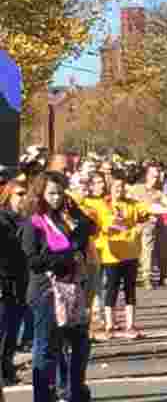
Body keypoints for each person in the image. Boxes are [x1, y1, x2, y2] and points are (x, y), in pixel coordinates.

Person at [22, 171, 95, 402]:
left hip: (71, 289)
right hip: (45, 291)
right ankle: (43, 396)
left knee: (81, 343)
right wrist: (65, 257)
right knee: (46, 348)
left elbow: (88, 228)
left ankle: (75, 390)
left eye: (60, 193)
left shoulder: (62, 218)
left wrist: (73, 209)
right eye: (51, 193)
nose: (56, 198)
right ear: (41, 195)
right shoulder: (33, 223)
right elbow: (33, 260)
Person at [95, 171, 147, 340]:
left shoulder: (132, 204)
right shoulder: (104, 205)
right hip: (111, 255)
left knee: (130, 290)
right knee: (111, 289)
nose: (120, 189)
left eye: (123, 186)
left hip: (130, 253)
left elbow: (148, 211)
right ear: (110, 188)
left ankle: (130, 325)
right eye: (117, 186)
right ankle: (110, 325)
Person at [0, 179, 28, 386]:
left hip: (21, 282)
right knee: (3, 329)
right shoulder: (2, 220)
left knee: (12, 330)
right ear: (8, 196)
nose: (23, 198)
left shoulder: (26, 220)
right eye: (19, 194)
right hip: (3, 282)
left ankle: (7, 369)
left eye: (25, 193)